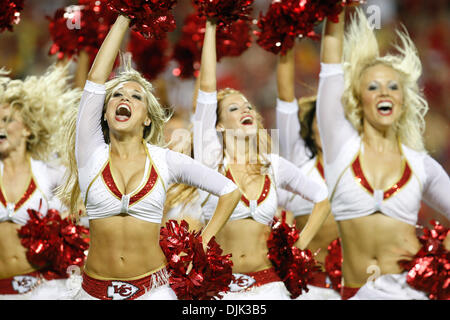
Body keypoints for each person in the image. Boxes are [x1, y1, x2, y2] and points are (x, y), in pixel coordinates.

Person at [61, 14, 242, 300]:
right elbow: (95, 82)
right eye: (117, 95)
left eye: (136, 97)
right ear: (105, 115)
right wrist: (123, 15)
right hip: (93, 293)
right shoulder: (91, 153)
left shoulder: (166, 160)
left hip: (153, 292)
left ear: (147, 118)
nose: (125, 100)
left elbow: (230, 191)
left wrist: (203, 243)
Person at [193, 18, 332, 300]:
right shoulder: (210, 161)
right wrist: (211, 24)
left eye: (248, 106)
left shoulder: (273, 165)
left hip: (268, 286)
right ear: (218, 125)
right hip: (221, 290)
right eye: (234, 107)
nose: (245, 109)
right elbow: (206, 90)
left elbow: (322, 197)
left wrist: (298, 247)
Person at [317, 8, 450, 299]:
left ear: (403, 100)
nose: (384, 93)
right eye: (373, 87)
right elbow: (330, 69)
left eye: (393, 87)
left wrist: (438, 262)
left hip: (410, 293)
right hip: (353, 293)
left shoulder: (420, 165)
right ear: (357, 99)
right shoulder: (341, 148)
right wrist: (335, 10)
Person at [0, 65, 79, 299]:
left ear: (26, 129)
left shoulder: (48, 172)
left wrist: (74, 210)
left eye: (7, 120)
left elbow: (85, 190)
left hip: (45, 289)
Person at [275, 47, 341, 300]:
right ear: (310, 128)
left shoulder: (355, 160)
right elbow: (285, 98)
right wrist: (286, 41)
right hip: (308, 287)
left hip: (353, 286)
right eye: (319, 122)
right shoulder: (299, 155)